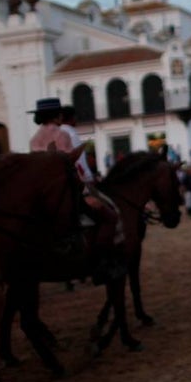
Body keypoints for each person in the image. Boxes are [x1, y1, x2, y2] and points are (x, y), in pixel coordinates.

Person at [29, 98, 121, 284]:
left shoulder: (34, 139)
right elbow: (73, 165)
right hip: (66, 191)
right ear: (57, 115)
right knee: (108, 216)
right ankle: (102, 263)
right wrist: (88, 186)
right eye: (60, 112)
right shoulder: (62, 134)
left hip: (42, 193)